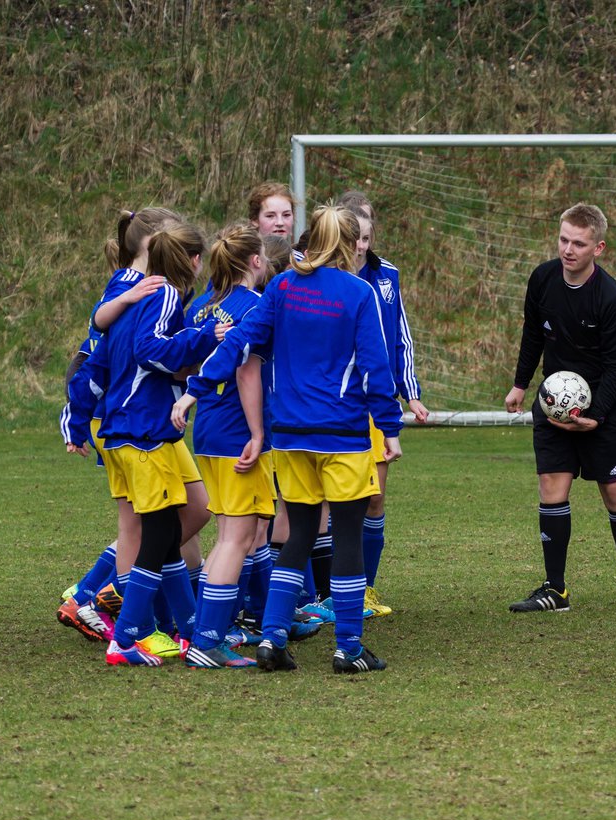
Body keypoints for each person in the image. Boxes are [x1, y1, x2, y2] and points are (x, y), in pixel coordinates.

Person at [180, 204, 403, 674]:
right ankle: (348, 647)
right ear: (346, 243)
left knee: (298, 534)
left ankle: (273, 638)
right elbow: (376, 372)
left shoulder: (280, 286)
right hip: (342, 435)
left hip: (291, 436)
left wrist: (195, 391)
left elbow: (240, 344)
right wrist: (388, 428)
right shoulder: (358, 293)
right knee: (345, 538)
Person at [63, 222, 222, 665]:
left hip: (143, 430)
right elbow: (151, 350)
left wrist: (79, 424)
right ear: (192, 261)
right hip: (141, 432)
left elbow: (99, 354)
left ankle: (187, 629)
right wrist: (207, 337)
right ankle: (126, 632)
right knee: (155, 531)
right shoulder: (163, 294)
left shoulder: (134, 294)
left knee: (183, 517)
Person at [504, 204, 616, 614]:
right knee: (551, 489)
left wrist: (598, 416)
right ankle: (555, 590)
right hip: (554, 405)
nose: (568, 250)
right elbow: (532, 335)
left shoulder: (612, 299)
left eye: (579, 243)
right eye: (563, 239)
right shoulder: (542, 279)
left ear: (599, 247)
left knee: (615, 492)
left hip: (603, 406)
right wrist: (521, 384)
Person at [173, 223, 274, 668]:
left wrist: (192, 394)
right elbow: (242, 365)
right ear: (255, 261)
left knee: (230, 534)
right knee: (239, 535)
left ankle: (207, 629)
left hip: (207, 432)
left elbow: (184, 355)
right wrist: (257, 432)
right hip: (236, 430)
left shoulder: (201, 307)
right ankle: (208, 641)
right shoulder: (255, 305)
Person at [349, 206, 428, 620]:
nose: (361, 246)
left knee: (374, 499)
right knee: (332, 505)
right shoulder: (324, 275)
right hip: (339, 401)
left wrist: (410, 392)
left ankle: (366, 589)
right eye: (354, 237)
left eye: (367, 237)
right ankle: (326, 592)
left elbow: (400, 337)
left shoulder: (387, 275)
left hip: (378, 401)